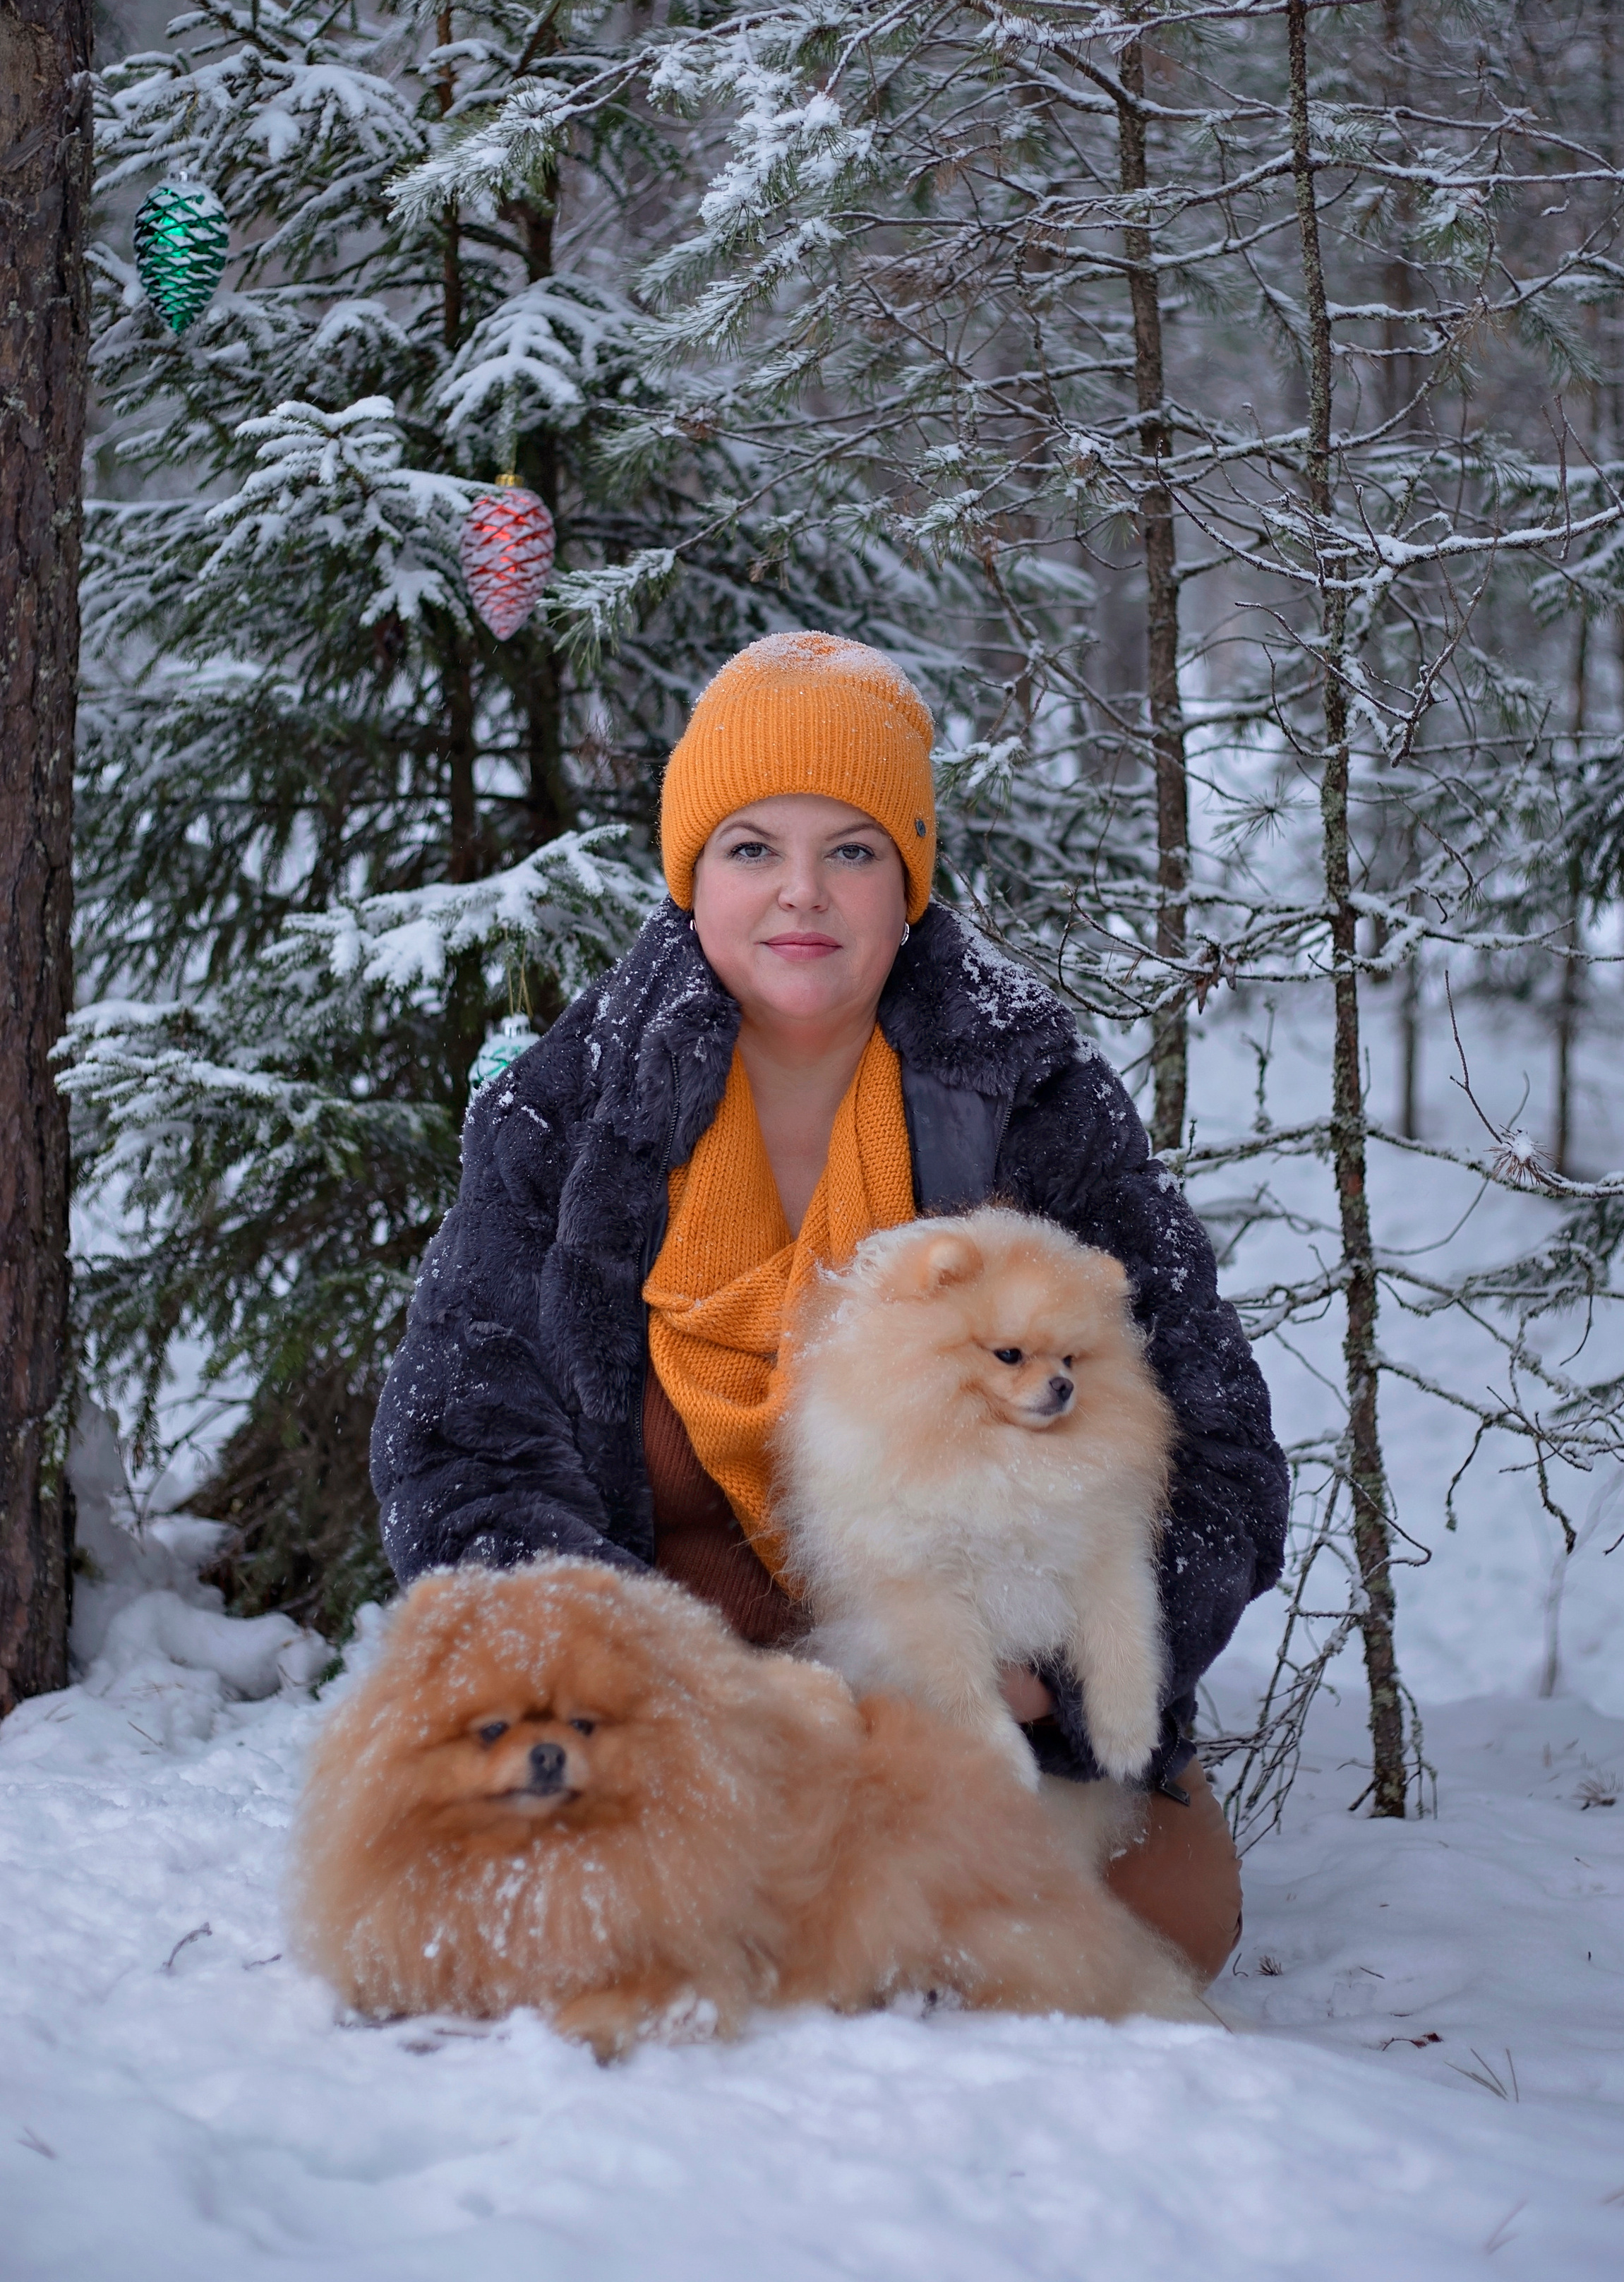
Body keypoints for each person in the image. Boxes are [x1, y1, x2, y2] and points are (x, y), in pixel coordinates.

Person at [373, 633, 1287, 1980]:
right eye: (752, 848)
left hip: (974, 1664)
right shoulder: (568, 1105)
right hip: (682, 1659)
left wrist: (1052, 1684)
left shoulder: (1031, 1095)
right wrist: (654, 1688)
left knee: (1171, 1925)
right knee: (639, 1917)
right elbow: (457, 1450)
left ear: (907, 878)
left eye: (851, 850)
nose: (802, 895)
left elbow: (1218, 1447)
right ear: (693, 872)